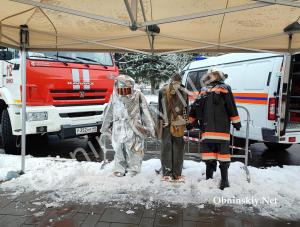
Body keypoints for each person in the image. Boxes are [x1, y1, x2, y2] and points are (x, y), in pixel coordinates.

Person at [189, 70, 241, 190]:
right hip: (222, 131)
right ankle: (224, 180)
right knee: (222, 156)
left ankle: (210, 178)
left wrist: (191, 122)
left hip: (207, 130)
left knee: (209, 155)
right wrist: (236, 122)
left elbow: (195, 107)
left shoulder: (204, 90)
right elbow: (231, 106)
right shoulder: (225, 88)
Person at [100, 75, 156, 177]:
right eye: (121, 90)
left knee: (134, 149)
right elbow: (109, 111)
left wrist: (151, 127)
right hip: (118, 127)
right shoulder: (115, 96)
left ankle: (134, 169)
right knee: (118, 150)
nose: (124, 93)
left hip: (134, 127)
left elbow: (146, 112)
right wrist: (105, 126)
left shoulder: (138, 95)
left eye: (127, 90)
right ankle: (120, 168)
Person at [158, 73, 189, 181]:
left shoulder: (163, 90)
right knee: (178, 148)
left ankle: (167, 173)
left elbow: (160, 109)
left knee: (166, 147)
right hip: (178, 123)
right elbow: (186, 108)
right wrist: (185, 121)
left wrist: (160, 121)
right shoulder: (184, 91)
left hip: (166, 122)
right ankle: (177, 174)